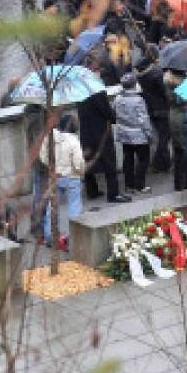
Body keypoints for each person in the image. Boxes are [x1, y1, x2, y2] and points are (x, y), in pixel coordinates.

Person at [77, 85, 131, 203]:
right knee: (109, 162)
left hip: (86, 132)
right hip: (101, 132)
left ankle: (92, 191)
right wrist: (113, 118)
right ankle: (113, 194)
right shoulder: (97, 90)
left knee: (88, 161)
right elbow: (106, 110)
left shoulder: (79, 90)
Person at [41, 113, 85, 250]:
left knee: (52, 207)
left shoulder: (49, 138)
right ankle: (74, 237)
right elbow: (78, 162)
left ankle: (49, 237)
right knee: (74, 207)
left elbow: (42, 156)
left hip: (55, 176)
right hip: (72, 176)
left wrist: (51, 167)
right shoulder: (73, 141)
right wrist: (81, 172)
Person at [111, 72, 154, 195]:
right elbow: (143, 119)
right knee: (143, 160)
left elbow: (114, 114)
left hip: (124, 134)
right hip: (139, 135)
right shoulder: (138, 100)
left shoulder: (117, 99)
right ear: (134, 85)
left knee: (128, 159)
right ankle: (139, 186)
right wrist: (149, 134)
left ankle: (129, 185)